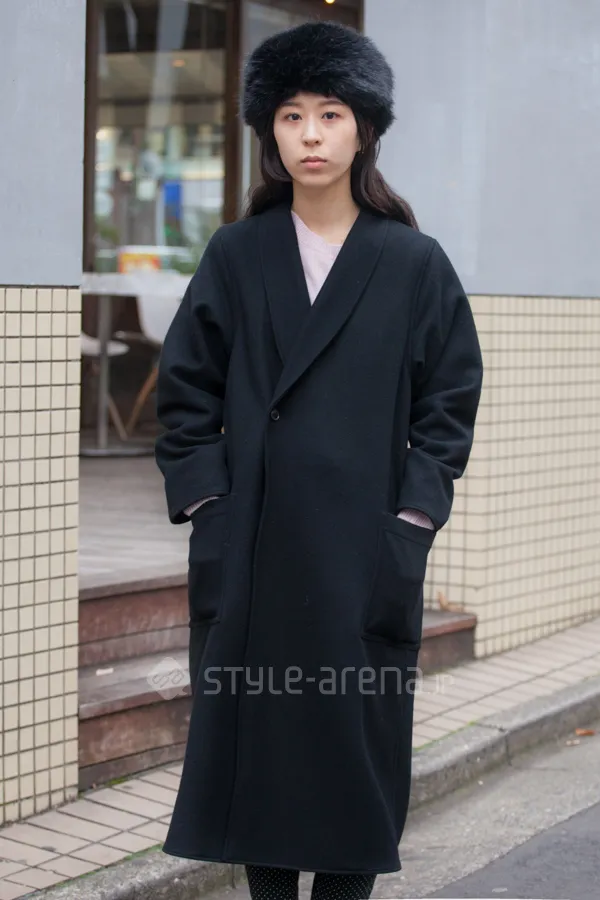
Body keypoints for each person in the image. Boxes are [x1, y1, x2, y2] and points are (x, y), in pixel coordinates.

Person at [154, 20, 483, 900]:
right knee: (260, 761)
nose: (311, 135)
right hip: (254, 548)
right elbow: (184, 392)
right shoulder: (237, 253)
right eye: (292, 115)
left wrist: (412, 516)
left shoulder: (412, 263)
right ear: (269, 131)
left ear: (364, 129)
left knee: (350, 766)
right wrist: (209, 504)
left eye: (330, 114)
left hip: (362, 553)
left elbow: (449, 402)